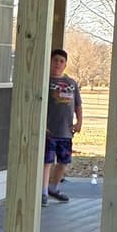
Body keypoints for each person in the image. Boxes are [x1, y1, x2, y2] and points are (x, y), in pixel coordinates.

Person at [45, 48, 84, 202]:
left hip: (66, 131)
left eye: (61, 61)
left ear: (65, 65)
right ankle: (43, 192)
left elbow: (78, 105)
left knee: (63, 161)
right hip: (49, 131)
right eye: (55, 60)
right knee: (47, 161)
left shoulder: (71, 83)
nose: (58, 64)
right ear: (51, 62)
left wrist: (79, 121)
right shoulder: (46, 82)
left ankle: (53, 187)